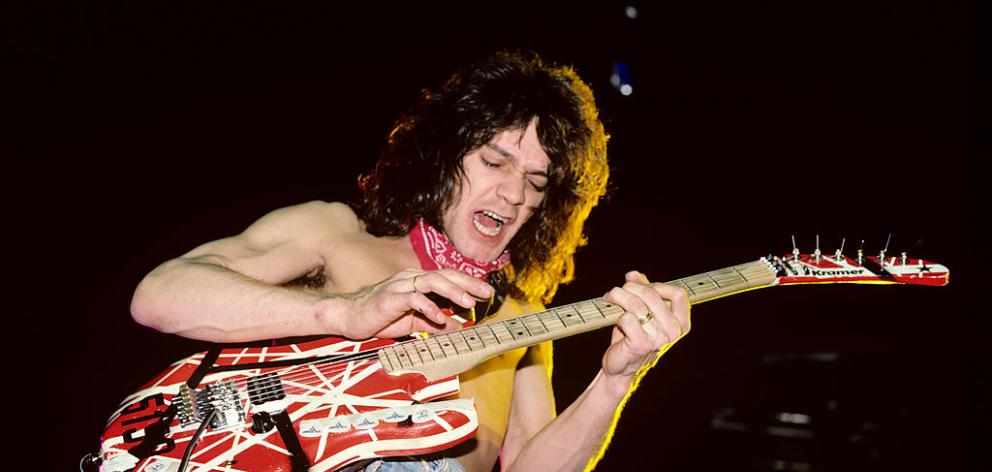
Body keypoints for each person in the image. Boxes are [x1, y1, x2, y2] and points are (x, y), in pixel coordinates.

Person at [130, 50, 690, 472]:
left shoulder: (525, 318)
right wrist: (344, 313)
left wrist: (618, 381)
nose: (513, 194)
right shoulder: (336, 232)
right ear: (446, 157)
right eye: (495, 161)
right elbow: (160, 293)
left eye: (536, 181)